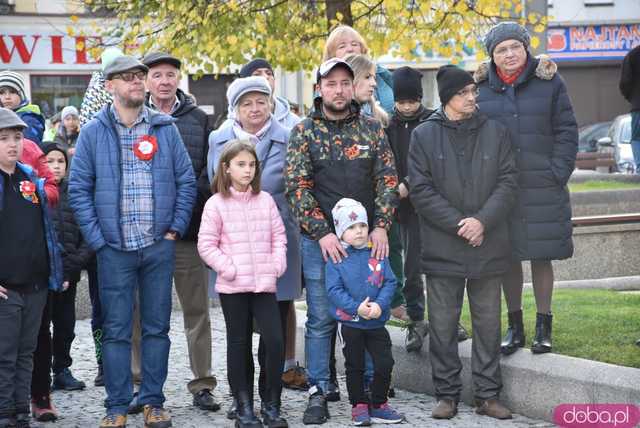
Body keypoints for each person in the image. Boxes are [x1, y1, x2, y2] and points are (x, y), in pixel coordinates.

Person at [68, 55, 196, 428]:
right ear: (110, 86)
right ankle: (117, 406)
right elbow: (78, 190)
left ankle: (153, 403)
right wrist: (98, 240)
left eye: (139, 76)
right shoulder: (93, 132)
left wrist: (174, 229)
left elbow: (186, 180)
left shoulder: (164, 127)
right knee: (117, 330)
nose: (137, 83)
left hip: (158, 245)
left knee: (157, 328)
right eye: (127, 78)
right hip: (114, 249)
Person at [286, 57, 398, 425]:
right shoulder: (304, 131)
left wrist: (381, 225)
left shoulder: (370, 128)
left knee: (365, 315)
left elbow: (386, 178)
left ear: (353, 87)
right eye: (330, 83)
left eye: (344, 83)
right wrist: (323, 233)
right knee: (321, 319)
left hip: (366, 243)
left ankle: (366, 395)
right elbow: (297, 187)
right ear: (319, 88)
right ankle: (319, 390)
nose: (338, 89)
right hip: (322, 244)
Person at [408, 65, 518, 420]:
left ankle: (487, 395)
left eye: (473, 91)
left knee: (488, 324)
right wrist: (461, 224)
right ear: (446, 99)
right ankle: (447, 394)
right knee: (442, 325)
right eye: (463, 93)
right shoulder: (424, 135)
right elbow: (420, 191)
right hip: (444, 246)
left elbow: (508, 182)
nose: (472, 98)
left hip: (488, 242)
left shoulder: (496, 132)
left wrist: (482, 221)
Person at [475, 22, 578, 355]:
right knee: (507, 257)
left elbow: (567, 130)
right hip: (500, 190)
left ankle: (543, 326)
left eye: (514, 48)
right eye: (501, 50)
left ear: (526, 48)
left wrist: (557, 172)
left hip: (542, 185)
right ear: (492, 55)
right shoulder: (481, 88)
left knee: (541, 256)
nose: (509, 55)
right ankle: (514, 326)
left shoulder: (550, 83)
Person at [208, 76, 302, 419]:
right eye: (246, 103)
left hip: (274, 250)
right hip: (233, 255)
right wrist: (226, 264)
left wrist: (277, 258)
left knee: (273, 330)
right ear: (236, 108)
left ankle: (269, 398)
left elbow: (297, 184)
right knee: (239, 335)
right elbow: (214, 189)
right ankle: (242, 400)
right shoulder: (219, 139)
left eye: (261, 101)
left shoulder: (288, 136)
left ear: (271, 102)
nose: (255, 109)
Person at [136, 51, 220, 412]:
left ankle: (202, 383)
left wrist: (181, 208)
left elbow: (206, 173)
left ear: (178, 80)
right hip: (144, 233)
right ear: (146, 81)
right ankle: (140, 383)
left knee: (196, 311)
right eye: (158, 75)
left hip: (186, 231)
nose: (165, 81)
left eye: (171, 74)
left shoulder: (199, 120)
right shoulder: (133, 119)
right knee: (142, 312)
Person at [198, 139, 288, 428]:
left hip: (264, 284)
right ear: (226, 168)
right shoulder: (215, 204)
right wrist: (230, 268)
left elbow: (279, 238)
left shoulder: (266, 200)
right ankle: (244, 406)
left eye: (251, 165)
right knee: (239, 344)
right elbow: (207, 245)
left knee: (274, 341)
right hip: (234, 286)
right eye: (240, 164)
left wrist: (277, 265)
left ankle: (271, 405)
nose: (247, 170)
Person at [0, 107, 63, 428]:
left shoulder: (30, 179)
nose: (12, 144)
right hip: (6, 286)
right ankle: (4, 411)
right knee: (5, 354)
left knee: (28, 351)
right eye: (4, 138)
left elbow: (45, 230)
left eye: (17, 137)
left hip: (36, 283)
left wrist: (53, 270)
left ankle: (22, 410)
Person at [325, 198, 404, 426]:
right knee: (355, 365)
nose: (358, 231)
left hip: (376, 322)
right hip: (351, 323)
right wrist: (355, 307)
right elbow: (333, 289)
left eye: (361, 225)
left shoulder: (377, 253)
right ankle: (358, 405)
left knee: (384, 362)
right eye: (351, 227)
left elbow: (390, 281)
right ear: (340, 231)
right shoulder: (337, 258)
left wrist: (380, 304)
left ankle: (379, 403)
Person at [30, 144, 92, 422]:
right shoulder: (36, 192)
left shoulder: (75, 195)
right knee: (42, 329)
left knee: (66, 326)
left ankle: (63, 368)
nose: (56, 166)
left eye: (60, 161)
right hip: (43, 276)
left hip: (69, 273)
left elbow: (87, 236)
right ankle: (37, 380)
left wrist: (71, 266)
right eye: (50, 161)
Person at [385, 66, 436, 352]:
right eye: (402, 102)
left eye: (412, 101)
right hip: (401, 207)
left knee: (442, 267)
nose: (407, 107)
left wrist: (408, 184)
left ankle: (447, 320)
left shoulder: (432, 121)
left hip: (429, 202)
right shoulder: (389, 125)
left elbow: (430, 162)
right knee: (411, 267)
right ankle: (416, 321)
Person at [223, 58, 301, 130]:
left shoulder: (294, 122)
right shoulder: (229, 128)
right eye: (257, 74)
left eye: (269, 73)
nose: (266, 77)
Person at [0, 71, 45, 147]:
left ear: (21, 95)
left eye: (12, 92)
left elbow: (28, 151)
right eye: (1, 93)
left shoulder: (28, 119)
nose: (7, 97)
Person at [620, 44, 640, 172]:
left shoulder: (632, 55)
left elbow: (625, 82)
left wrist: (632, 98)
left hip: (638, 106)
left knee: (637, 138)